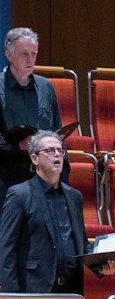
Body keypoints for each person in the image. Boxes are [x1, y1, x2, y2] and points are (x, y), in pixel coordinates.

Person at [0, 130, 103, 299]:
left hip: (70, 293)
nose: (57, 154)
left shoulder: (74, 196)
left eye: (60, 150)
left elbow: (81, 244)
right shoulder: (19, 195)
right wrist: (10, 294)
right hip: (33, 292)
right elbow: (6, 247)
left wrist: (102, 262)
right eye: (50, 150)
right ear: (35, 158)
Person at [0, 29, 64, 192]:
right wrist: (15, 146)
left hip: (43, 175)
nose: (30, 60)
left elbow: (57, 129)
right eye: (24, 54)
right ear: (9, 55)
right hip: (7, 174)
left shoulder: (45, 86)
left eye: (34, 54)